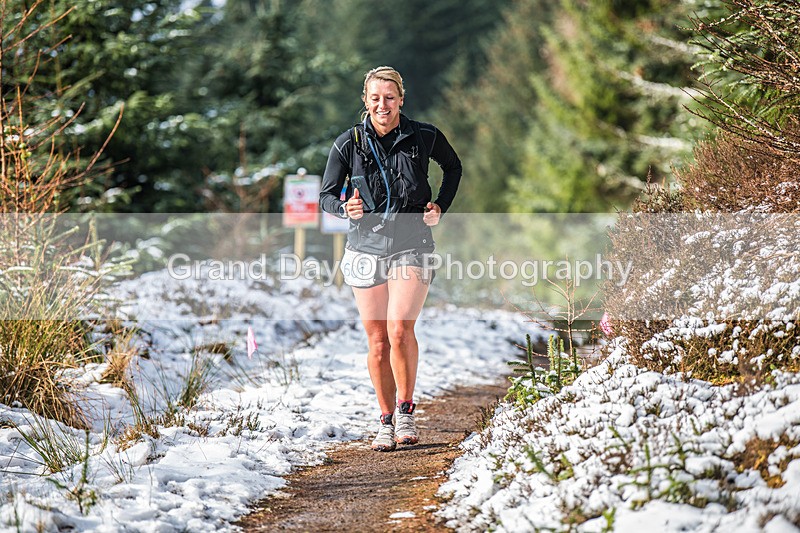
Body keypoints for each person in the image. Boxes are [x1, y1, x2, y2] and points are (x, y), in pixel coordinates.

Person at [319, 66, 462, 452]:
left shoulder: (424, 135)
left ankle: (406, 410)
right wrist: (343, 207)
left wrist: (440, 207)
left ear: (401, 99)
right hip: (365, 248)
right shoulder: (348, 142)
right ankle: (385, 420)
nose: (383, 105)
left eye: (390, 97)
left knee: (400, 329)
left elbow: (453, 167)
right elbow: (326, 196)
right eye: (375, 98)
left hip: (413, 242)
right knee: (378, 340)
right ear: (365, 101)